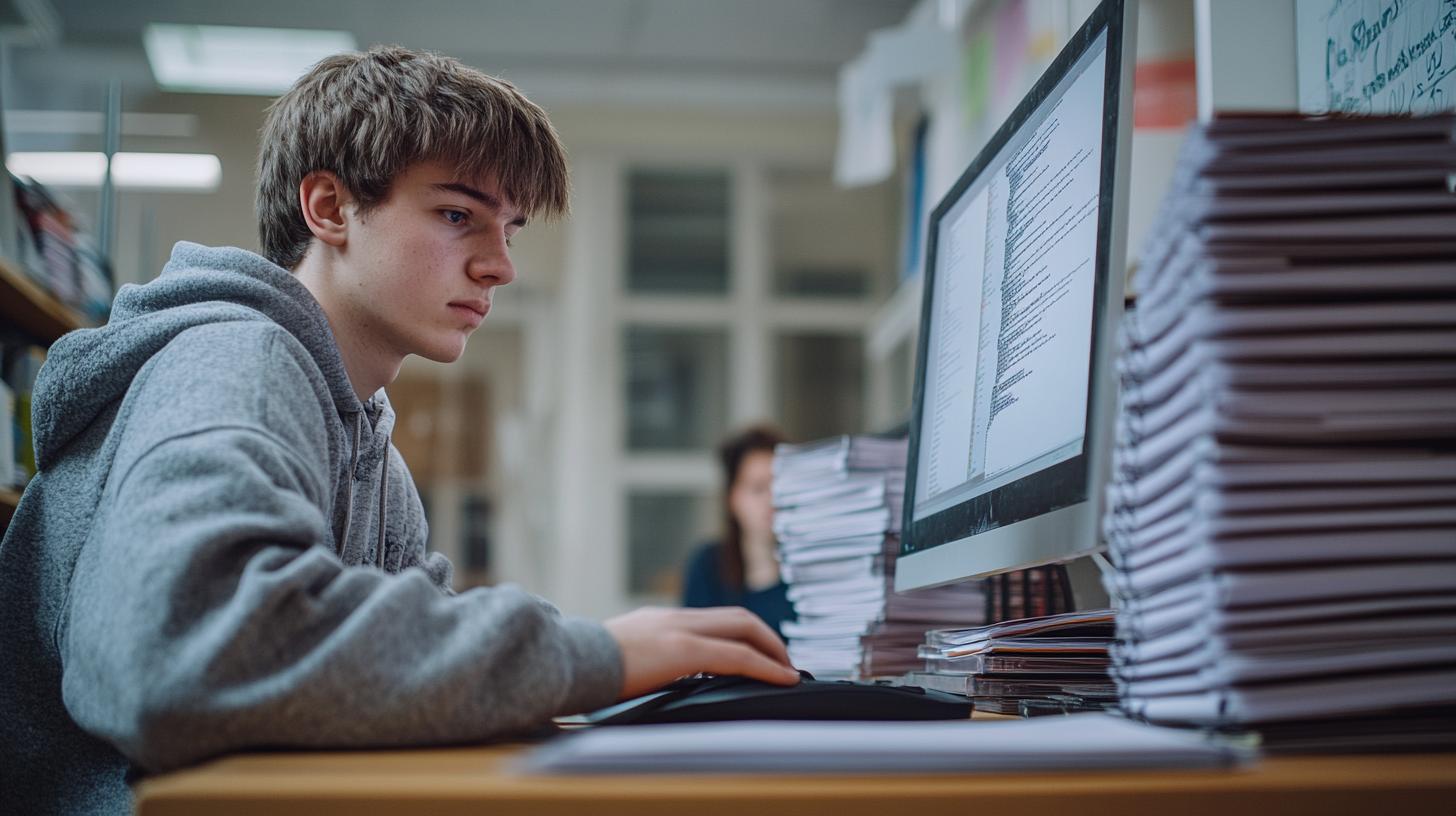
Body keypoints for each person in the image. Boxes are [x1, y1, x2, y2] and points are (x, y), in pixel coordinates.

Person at [0, 46, 798, 815]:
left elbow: (396, 678)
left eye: (510, 230)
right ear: (329, 207)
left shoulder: (372, 450)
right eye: (459, 214)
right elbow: (178, 658)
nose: (501, 266)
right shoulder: (233, 363)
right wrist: (602, 655)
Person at [682, 425, 795, 638]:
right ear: (732, 498)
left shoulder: (815, 568)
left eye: (781, 487)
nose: (772, 500)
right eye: (758, 488)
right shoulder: (708, 564)